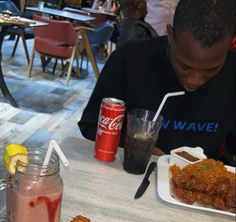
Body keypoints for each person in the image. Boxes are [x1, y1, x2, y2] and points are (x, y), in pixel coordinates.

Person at [78, 0, 236, 161]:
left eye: (211, 70)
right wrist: (134, 145)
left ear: (229, 46)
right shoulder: (129, 60)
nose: (194, 81)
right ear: (170, 35)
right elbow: (90, 127)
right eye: (184, 66)